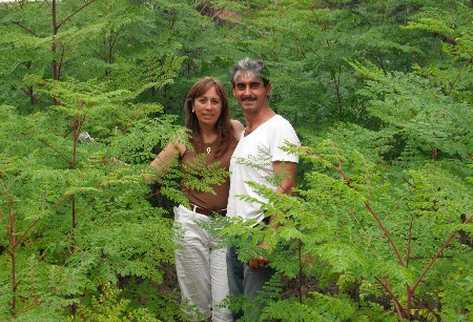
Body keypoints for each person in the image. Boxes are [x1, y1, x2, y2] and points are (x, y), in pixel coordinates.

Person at [150, 77, 243, 322]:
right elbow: (151, 173)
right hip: (190, 224)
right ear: (193, 105)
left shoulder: (235, 131)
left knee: (225, 310)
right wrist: (114, 169)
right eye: (203, 100)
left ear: (222, 106)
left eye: (215, 101)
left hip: (226, 225)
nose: (209, 106)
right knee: (195, 307)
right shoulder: (182, 138)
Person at [226, 58, 300, 314]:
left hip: (260, 232)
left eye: (254, 85)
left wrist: (268, 240)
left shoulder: (279, 129)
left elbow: (287, 187)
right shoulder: (247, 133)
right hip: (236, 234)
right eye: (241, 86)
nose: (247, 92)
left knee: (256, 313)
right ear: (234, 91)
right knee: (239, 311)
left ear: (267, 88)